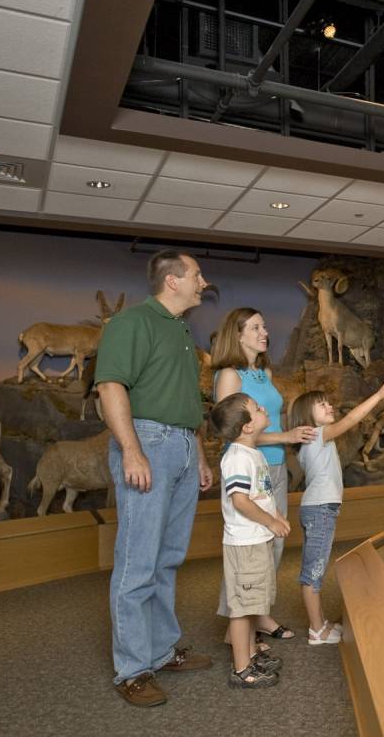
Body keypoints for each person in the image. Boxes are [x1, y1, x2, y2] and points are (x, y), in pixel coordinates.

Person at [95, 250, 214, 708]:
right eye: (197, 275)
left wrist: (198, 455)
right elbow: (110, 388)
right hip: (147, 441)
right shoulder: (130, 324)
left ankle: (161, 650)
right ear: (172, 280)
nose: (203, 282)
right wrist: (131, 450)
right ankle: (132, 669)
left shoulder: (182, 330)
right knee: (137, 561)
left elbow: (184, 403)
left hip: (181, 444)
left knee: (167, 558)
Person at [210, 308, 315, 645]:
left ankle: (260, 615)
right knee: (248, 546)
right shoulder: (229, 374)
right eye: (255, 326)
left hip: (274, 465)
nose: (264, 331)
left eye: (265, 325)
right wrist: (285, 437)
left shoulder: (263, 372)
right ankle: (236, 625)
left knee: (274, 542)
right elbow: (235, 432)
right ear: (237, 334)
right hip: (249, 467)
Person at [288, 377, 384, 644]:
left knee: (315, 567)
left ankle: (320, 623)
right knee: (313, 572)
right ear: (306, 417)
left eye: (327, 402)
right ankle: (316, 631)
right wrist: (380, 395)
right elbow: (350, 422)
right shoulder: (317, 435)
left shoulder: (312, 440)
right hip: (320, 509)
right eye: (320, 404)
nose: (328, 406)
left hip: (318, 508)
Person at [209, 392, 291, 689]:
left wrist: (277, 516)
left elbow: (263, 495)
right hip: (245, 544)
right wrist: (270, 521)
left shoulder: (253, 453)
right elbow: (241, 501)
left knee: (254, 601)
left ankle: (251, 654)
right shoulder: (236, 458)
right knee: (242, 608)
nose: (263, 408)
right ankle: (242, 668)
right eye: (257, 408)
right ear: (246, 426)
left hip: (258, 540)